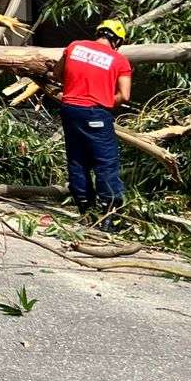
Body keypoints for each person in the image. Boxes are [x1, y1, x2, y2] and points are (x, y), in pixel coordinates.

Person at [56, 18, 133, 228]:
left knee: (77, 159)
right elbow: (124, 95)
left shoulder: (74, 46)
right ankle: (109, 214)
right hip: (96, 113)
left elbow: (57, 73)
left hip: (69, 109)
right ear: (117, 40)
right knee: (105, 162)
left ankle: (84, 209)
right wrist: (107, 100)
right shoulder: (119, 60)